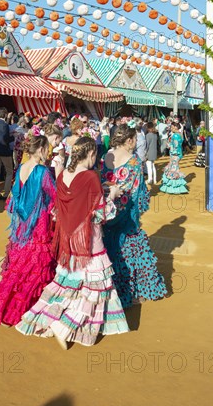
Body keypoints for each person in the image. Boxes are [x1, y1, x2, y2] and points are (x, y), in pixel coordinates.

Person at [16, 137, 129, 349]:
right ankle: (65, 326)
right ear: (91, 154)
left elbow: (62, 206)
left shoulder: (63, 175)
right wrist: (112, 193)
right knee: (95, 286)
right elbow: (101, 213)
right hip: (88, 239)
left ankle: (50, 320)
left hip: (68, 240)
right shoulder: (91, 176)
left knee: (70, 284)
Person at [0, 135, 57, 326]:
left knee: (20, 264)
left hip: (23, 224)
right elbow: (54, 195)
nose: (49, 152)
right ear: (40, 149)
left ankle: (6, 302)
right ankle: (26, 306)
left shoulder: (21, 168)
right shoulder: (42, 172)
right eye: (47, 148)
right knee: (36, 264)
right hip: (39, 223)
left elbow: (15, 196)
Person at [102, 125, 168, 308]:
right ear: (129, 140)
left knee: (107, 250)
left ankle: (109, 290)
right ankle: (133, 292)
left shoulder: (105, 157)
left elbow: (101, 181)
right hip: (126, 213)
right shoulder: (133, 162)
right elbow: (139, 194)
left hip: (105, 211)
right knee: (131, 250)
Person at [160, 122, 188, 194]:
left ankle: (173, 187)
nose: (171, 128)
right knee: (174, 168)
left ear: (176, 127)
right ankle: (174, 186)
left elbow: (175, 146)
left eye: (172, 127)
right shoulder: (179, 134)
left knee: (173, 169)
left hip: (175, 154)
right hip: (177, 154)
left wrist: (169, 145)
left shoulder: (175, 135)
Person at [0, 108, 14, 201]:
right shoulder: (5, 125)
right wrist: (13, 137)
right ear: (5, 115)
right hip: (5, 151)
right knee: (9, 172)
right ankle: (6, 193)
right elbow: (5, 138)